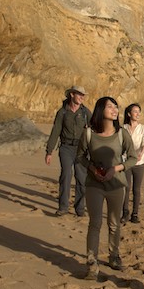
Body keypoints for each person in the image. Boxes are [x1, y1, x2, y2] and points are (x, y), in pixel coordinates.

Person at [80, 95, 134, 278]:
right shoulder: (88, 133)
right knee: (95, 222)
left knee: (114, 223)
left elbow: (133, 158)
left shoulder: (121, 134)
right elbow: (80, 156)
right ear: (100, 109)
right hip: (93, 184)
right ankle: (91, 262)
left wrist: (116, 168)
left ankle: (114, 255)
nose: (114, 110)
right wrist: (92, 168)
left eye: (116, 107)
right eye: (110, 106)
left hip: (117, 184)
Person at [44, 84, 91, 217]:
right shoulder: (62, 112)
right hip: (66, 148)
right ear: (72, 94)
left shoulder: (86, 113)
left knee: (81, 178)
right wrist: (49, 151)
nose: (82, 97)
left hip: (81, 149)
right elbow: (56, 131)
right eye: (79, 95)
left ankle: (80, 208)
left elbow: (94, 130)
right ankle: (63, 207)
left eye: (83, 95)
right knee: (66, 175)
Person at [121, 103, 144, 224]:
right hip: (126, 161)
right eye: (135, 111)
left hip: (139, 161)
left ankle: (135, 213)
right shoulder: (123, 128)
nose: (138, 114)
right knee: (126, 188)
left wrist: (140, 153)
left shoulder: (143, 128)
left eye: (139, 111)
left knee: (136, 189)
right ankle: (125, 212)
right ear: (129, 114)